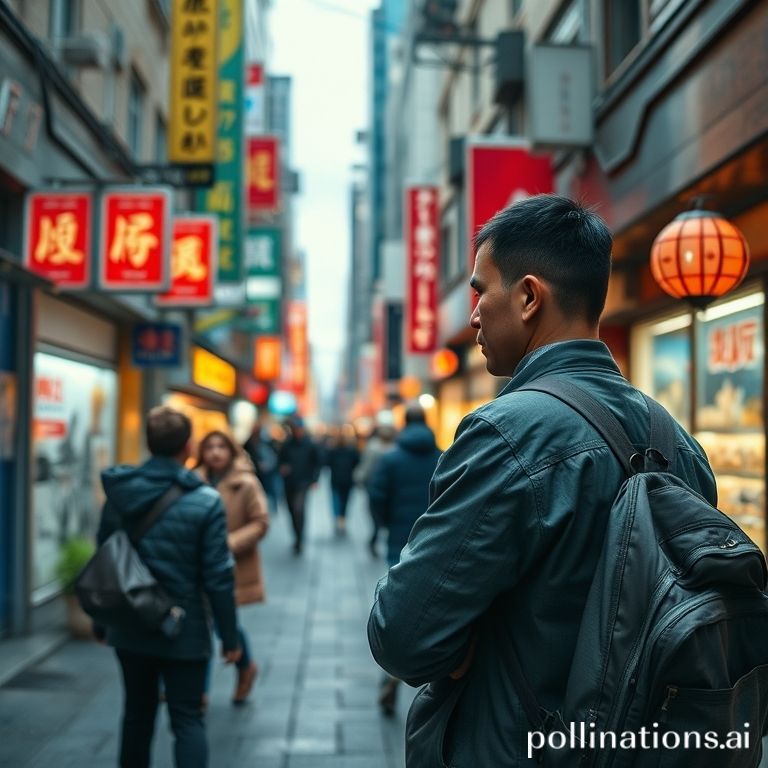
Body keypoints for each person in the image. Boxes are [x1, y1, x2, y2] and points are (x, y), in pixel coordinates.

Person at [366, 195, 717, 766]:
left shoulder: (505, 433)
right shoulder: (678, 439)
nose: (474, 314)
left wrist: (466, 642)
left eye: (481, 291)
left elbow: (401, 635)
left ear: (529, 296)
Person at [96, 406, 240, 768]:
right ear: (189, 446)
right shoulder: (206, 500)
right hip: (184, 627)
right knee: (187, 719)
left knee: (136, 715)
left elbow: (105, 561)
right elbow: (218, 575)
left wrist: (102, 621)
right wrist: (230, 636)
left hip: (129, 620)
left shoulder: (120, 491)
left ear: (149, 443)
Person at [367, 402, 441, 716]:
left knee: (401, 607)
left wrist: (385, 524)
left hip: (400, 540)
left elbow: (376, 495)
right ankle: (425, 677)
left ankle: (395, 673)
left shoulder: (391, 458)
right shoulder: (443, 455)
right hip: (436, 542)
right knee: (433, 607)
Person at [196, 430, 269, 705]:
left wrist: (228, 543)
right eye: (209, 447)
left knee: (221, 622)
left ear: (231, 451)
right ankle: (200, 691)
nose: (215, 453)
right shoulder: (194, 480)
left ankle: (245, 667)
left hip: (230, 566)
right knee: (204, 625)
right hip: (196, 565)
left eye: (221, 447)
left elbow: (261, 522)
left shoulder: (246, 483)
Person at [278, 415, 321, 555]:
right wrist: (283, 467)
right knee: (291, 511)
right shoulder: (286, 444)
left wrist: (314, 479)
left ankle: (300, 539)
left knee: (299, 510)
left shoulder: (310, 444)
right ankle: (296, 536)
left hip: (303, 482)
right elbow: (280, 460)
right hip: (289, 482)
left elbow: (317, 463)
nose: (297, 431)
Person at [353, 420, 397, 557]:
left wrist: (359, 478)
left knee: (375, 515)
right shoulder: (396, 448)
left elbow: (365, 466)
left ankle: (374, 539)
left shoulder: (372, 447)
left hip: (374, 486)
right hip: (391, 488)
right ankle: (382, 539)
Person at [326, 423, 360, 536]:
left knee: (336, 499)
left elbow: (327, 462)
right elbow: (357, 462)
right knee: (345, 500)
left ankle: (337, 518)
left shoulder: (332, 450)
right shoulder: (351, 450)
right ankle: (342, 518)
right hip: (348, 479)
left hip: (335, 478)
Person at [242, 413, 280, 516]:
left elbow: (273, 456)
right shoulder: (249, 443)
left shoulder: (266, 442)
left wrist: (268, 466)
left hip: (267, 473)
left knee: (270, 491)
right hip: (255, 472)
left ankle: (271, 507)